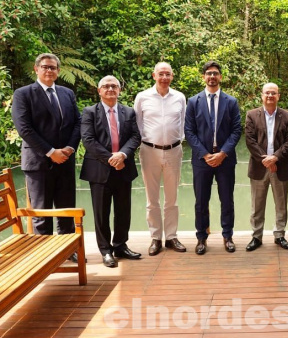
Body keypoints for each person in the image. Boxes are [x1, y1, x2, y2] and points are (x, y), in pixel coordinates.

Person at [11, 53, 81, 262]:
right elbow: (24, 128)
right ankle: (45, 256)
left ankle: (69, 250)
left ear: (58, 71)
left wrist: (69, 148)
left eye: (53, 67)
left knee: (66, 210)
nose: (49, 70)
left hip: (65, 161)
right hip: (38, 163)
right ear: (36, 69)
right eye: (45, 67)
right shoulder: (23, 94)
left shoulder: (67, 93)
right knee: (41, 213)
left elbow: (77, 123)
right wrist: (51, 152)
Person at [80, 76, 142, 268]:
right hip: (99, 170)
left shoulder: (129, 112)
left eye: (114, 86)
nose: (110, 89)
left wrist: (122, 155)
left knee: (123, 211)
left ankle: (120, 245)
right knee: (101, 212)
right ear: (99, 91)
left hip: (123, 168)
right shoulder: (89, 112)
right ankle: (106, 251)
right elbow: (88, 140)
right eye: (106, 86)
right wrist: (111, 158)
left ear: (119, 90)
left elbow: (135, 136)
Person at [185, 61, 241, 255]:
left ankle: (228, 235)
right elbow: (189, 132)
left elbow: (236, 131)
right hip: (202, 160)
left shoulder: (231, 102)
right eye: (208, 73)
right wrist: (206, 154)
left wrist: (223, 153)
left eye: (215, 73)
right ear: (203, 77)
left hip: (225, 159)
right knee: (201, 201)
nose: (212, 76)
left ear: (220, 77)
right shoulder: (193, 102)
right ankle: (201, 238)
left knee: (227, 200)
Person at [134, 62, 187, 256]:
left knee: (172, 198)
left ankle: (172, 236)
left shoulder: (180, 97)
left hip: (174, 150)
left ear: (172, 76)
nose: (164, 77)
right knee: (152, 198)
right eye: (161, 74)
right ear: (153, 75)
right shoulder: (142, 97)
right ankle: (155, 238)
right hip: (149, 151)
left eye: (168, 74)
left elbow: (183, 123)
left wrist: (177, 141)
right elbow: (137, 124)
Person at [244, 83, 288, 251]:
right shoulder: (252, 115)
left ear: (278, 96)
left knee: (281, 205)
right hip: (259, 167)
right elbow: (250, 141)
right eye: (267, 93)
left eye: (273, 93)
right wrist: (265, 159)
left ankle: (279, 235)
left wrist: (276, 158)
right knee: (256, 205)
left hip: (279, 167)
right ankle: (256, 236)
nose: (270, 96)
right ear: (262, 95)